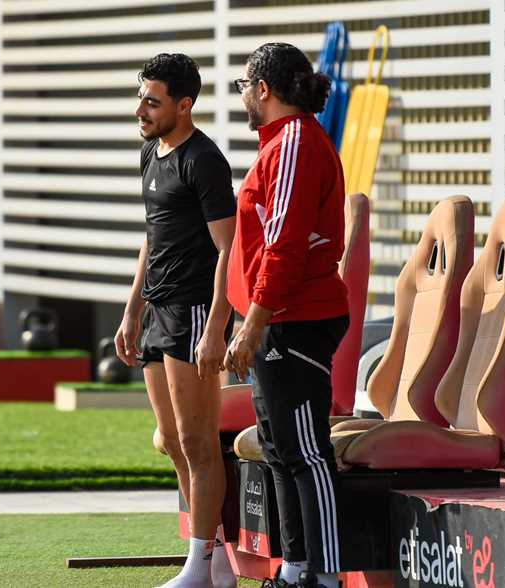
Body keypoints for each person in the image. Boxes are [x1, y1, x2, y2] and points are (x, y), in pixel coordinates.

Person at [224, 43, 350, 588]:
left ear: (263, 88)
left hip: (297, 319)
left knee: (306, 453)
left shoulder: (295, 140)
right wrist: (248, 318)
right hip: (276, 317)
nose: (243, 98)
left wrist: (253, 323)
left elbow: (284, 246)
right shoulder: (280, 142)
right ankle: (296, 569)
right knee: (278, 451)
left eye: (243, 87)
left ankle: (326, 576)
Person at [115, 53, 237, 588]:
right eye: (140, 98)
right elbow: (153, 235)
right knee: (168, 438)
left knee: (197, 442)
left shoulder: (204, 160)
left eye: (152, 101)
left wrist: (216, 326)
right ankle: (218, 561)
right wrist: (131, 309)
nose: (140, 109)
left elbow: (230, 248)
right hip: (157, 311)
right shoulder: (151, 152)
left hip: (193, 310)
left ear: (184, 105)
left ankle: (200, 566)